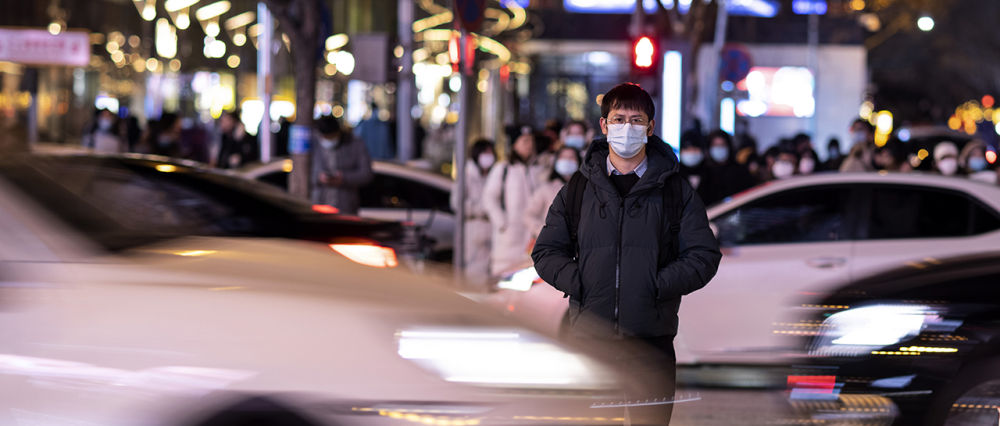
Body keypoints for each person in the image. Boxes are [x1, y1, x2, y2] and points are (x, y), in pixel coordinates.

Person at [532, 83, 721, 426]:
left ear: (650, 128)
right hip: (591, 341)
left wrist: (655, 285)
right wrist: (582, 282)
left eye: (636, 120)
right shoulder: (578, 189)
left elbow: (703, 256)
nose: (627, 128)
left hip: (651, 344)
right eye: (619, 119)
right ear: (604, 126)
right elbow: (546, 251)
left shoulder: (674, 191)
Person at [482, 131, 546, 276]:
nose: (529, 145)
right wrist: (502, 223)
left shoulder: (538, 170)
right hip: (508, 238)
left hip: (530, 238)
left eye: (531, 141)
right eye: (525, 141)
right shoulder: (503, 168)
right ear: (515, 144)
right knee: (503, 277)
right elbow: (489, 197)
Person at [452, 138, 497, 286]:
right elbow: (456, 203)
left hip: (491, 228)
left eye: (491, 153)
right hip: (473, 227)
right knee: (472, 271)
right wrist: (480, 208)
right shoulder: (467, 175)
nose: (488, 156)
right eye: (485, 152)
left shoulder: (494, 175)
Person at [310, 115, 374, 215]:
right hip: (318, 207)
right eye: (326, 137)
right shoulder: (313, 144)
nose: (329, 140)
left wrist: (343, 178)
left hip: (345, 208)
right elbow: (302, 173)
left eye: (332, 136)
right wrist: (319, 177)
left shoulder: (354, 143)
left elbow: (366, 174)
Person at [524, 146, 581, 244]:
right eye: (563, 157)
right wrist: (544, 232)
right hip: (552, 244)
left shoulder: (586, 189)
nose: (567, 161)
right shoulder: (546, 188)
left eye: (571, 157)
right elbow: (528, 215)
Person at [701, 130, 755, 206]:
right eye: (715, 145)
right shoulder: (704, 172)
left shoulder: (740, 171)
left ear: (729, 147)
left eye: (722, 145)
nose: (719, 148)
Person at [678, 134, 709, 200]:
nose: (691, 153)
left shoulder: (711, 174)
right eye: (687, 149)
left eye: (695, 149)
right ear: (681, 151)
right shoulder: (673, 175)